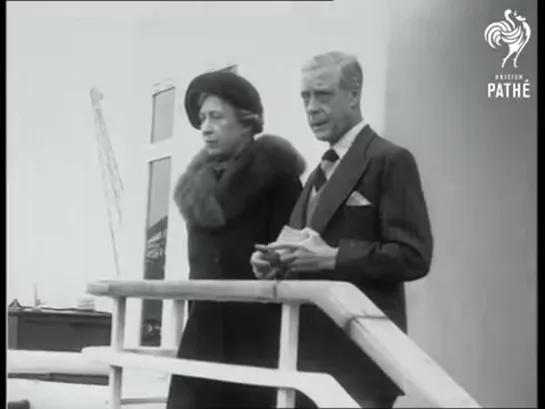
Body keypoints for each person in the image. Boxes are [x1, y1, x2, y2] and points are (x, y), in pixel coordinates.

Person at [250, 51, 434, 408]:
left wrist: (333, 258)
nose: (311, 108)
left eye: (323, 95)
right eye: (305, 97)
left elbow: (414, 256)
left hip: (358, 361)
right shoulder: (320, 171)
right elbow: (307, 250)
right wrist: (278, 262)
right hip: (306, 360)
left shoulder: (389, 160)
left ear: (354, 95)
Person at [167, 68, 305, 409]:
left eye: (216, 117)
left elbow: (292, 259)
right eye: (202, 118)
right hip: (202, 334)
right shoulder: (196, 187)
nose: (206, 128)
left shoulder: (279, 180)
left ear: (247, 121)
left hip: (258, 339)